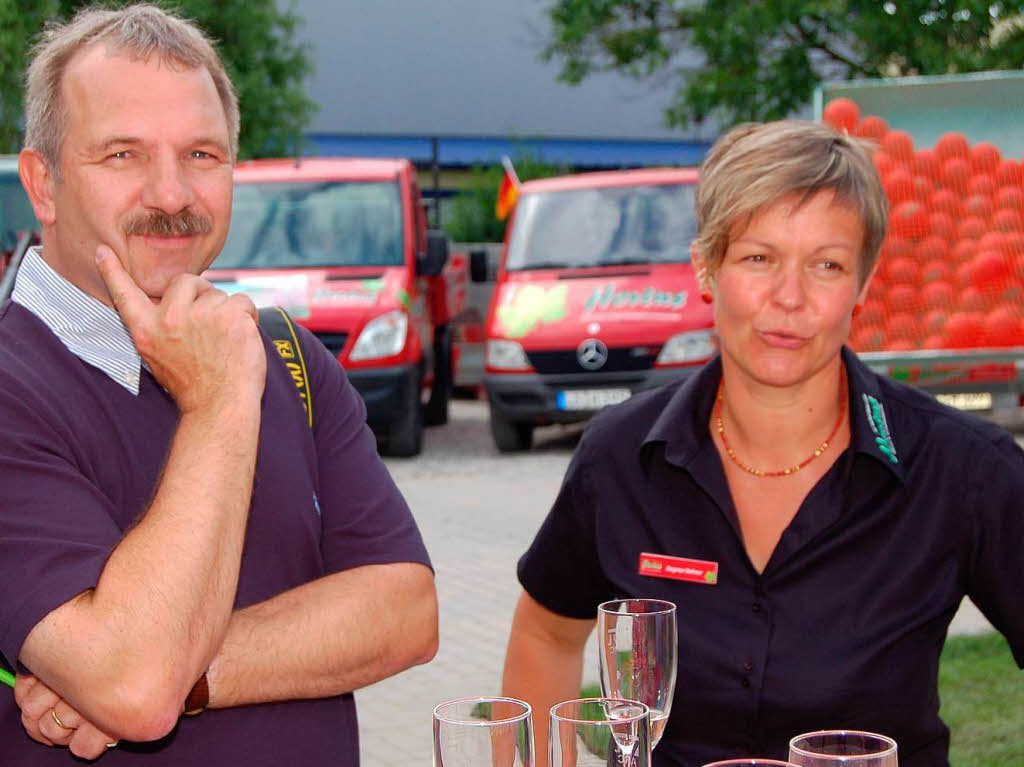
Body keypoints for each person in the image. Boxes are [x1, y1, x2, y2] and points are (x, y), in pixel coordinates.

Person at [502, 120, 1023, 767]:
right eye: (759, 257)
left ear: (862, 284)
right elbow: (547, 634)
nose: (790, 297)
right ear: (705, 266)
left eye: (826, 265)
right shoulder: (620, 457)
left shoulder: (960, 467)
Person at [0, 5, 437, 764]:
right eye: (124, 155)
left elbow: (405, 608)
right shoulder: (15, 385)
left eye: (202, 153)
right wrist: (219, 399)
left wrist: (192, 671)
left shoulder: (285, 354)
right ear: (44, 183)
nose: (171, 196)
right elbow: (136, 683)